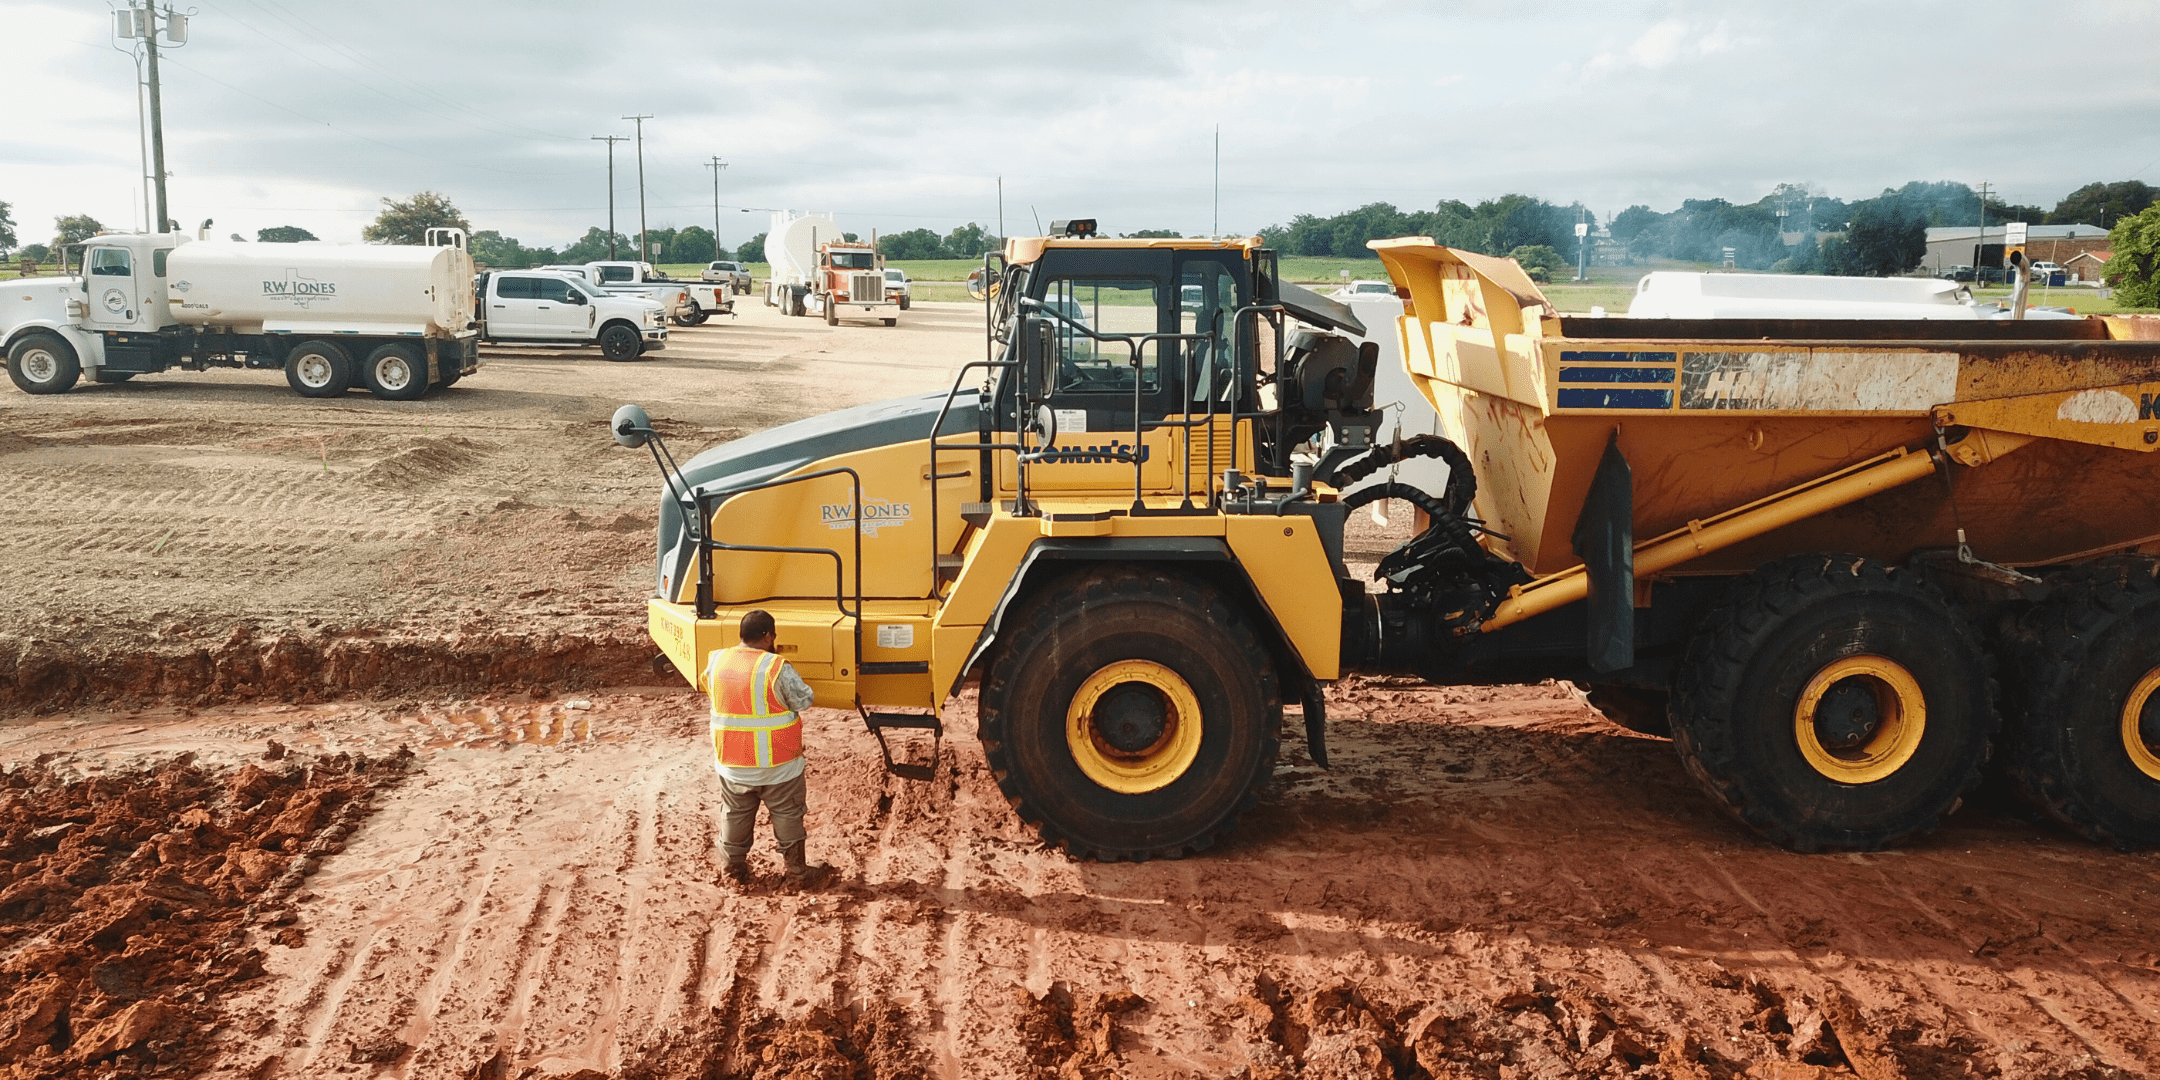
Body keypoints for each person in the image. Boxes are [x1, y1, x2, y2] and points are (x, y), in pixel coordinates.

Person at [702, 609, 828, 887]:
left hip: (733, 763)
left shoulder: (717, 660)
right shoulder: (775, 666)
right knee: (787, 814)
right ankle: (796, 872)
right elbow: (803, 700)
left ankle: (733, 871)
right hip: (778, 764)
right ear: (769, 636)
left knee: (734, 814)